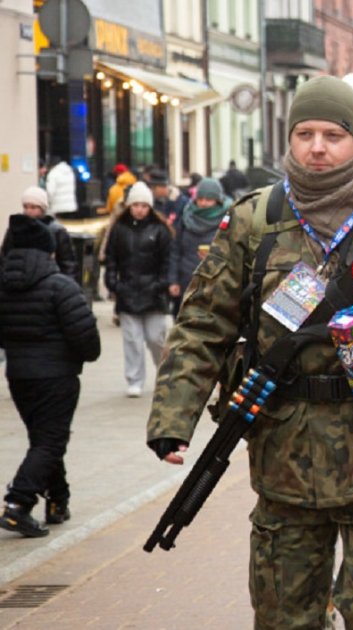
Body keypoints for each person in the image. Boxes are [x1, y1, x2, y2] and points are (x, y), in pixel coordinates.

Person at [145, 75, 353, 629]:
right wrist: (173, 415)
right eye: (304, 132)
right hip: (286, 453)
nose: (317, 147)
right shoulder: (255, 220)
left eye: (333, 133)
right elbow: (203, 320)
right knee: (283, 617)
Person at [0, 215, 101, 538]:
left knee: (42, 440)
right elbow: (86, 338)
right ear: (48, 251)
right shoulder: (60, 286)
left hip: (18, 376)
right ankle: (18, 503)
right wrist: (84, 355)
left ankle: (58, 500)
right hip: (57, 378)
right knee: (50, 441)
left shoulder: (4, 287)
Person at [104, 181, 173, 397]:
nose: (140, 209)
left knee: (156, 338)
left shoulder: (160, 230)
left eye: (144, 205)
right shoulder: (119, 229)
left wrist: (161, 284)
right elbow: (111, 260)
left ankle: (163, 375)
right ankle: (135, 380)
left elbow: (167, 261)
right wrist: (113, 284)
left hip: (154, 292)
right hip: (128, 291)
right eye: (136, 205)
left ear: (150, 207)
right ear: (129, 206)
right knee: (131, 339)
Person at [168, 178, 228, 317]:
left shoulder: (227, 220)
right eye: (200, 199)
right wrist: (173, 281)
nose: (203, 203)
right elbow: (175, 251)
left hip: (214, 285)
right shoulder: (185, 217)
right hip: (186, 282)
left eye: (208, 200)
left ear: (217, 200)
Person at [1, 186, 79, 279]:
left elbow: (67, 264)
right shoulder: (16, 230)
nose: (28, 211)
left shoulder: (56, 231)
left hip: (50, 281)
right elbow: (4, 256)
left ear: (43, 208)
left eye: (33, 207)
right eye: (25, 207)